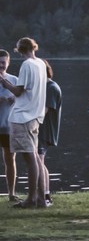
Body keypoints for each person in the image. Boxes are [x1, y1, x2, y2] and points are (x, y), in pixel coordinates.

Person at [5, 38, 51, 208]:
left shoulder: (26, 65)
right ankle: (40, 198)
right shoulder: (40, 63)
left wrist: (2, 80)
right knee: (36, 159)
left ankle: (31, 199)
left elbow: (18, 91)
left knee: (30, 158)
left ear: (20, 50)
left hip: (22, 117)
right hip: (35, 116)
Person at [0, 49, 16, 203]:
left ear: (8, 63)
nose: (1, 65)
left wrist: (13, 99)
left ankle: (11, 193)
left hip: (8, 127)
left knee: (10, 159)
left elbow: (24, 100)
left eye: (3, 62)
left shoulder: (14, 80)